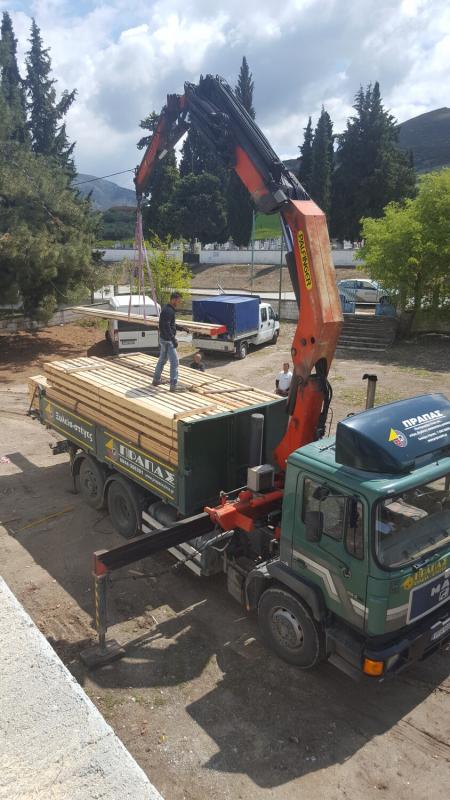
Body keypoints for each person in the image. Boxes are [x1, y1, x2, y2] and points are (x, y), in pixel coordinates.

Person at [152, 291, 183, 392]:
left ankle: (156, 380)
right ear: (173, 300)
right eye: (178, 301)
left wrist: (181, 328)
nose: (179, 303)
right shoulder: (169, 311)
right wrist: (173, 339)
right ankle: (173, 385)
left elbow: (170, 324)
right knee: (175, 362)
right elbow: (166, 326)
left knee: (162, 360)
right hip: (168, 341)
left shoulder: (167, 309)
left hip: (163, 339)